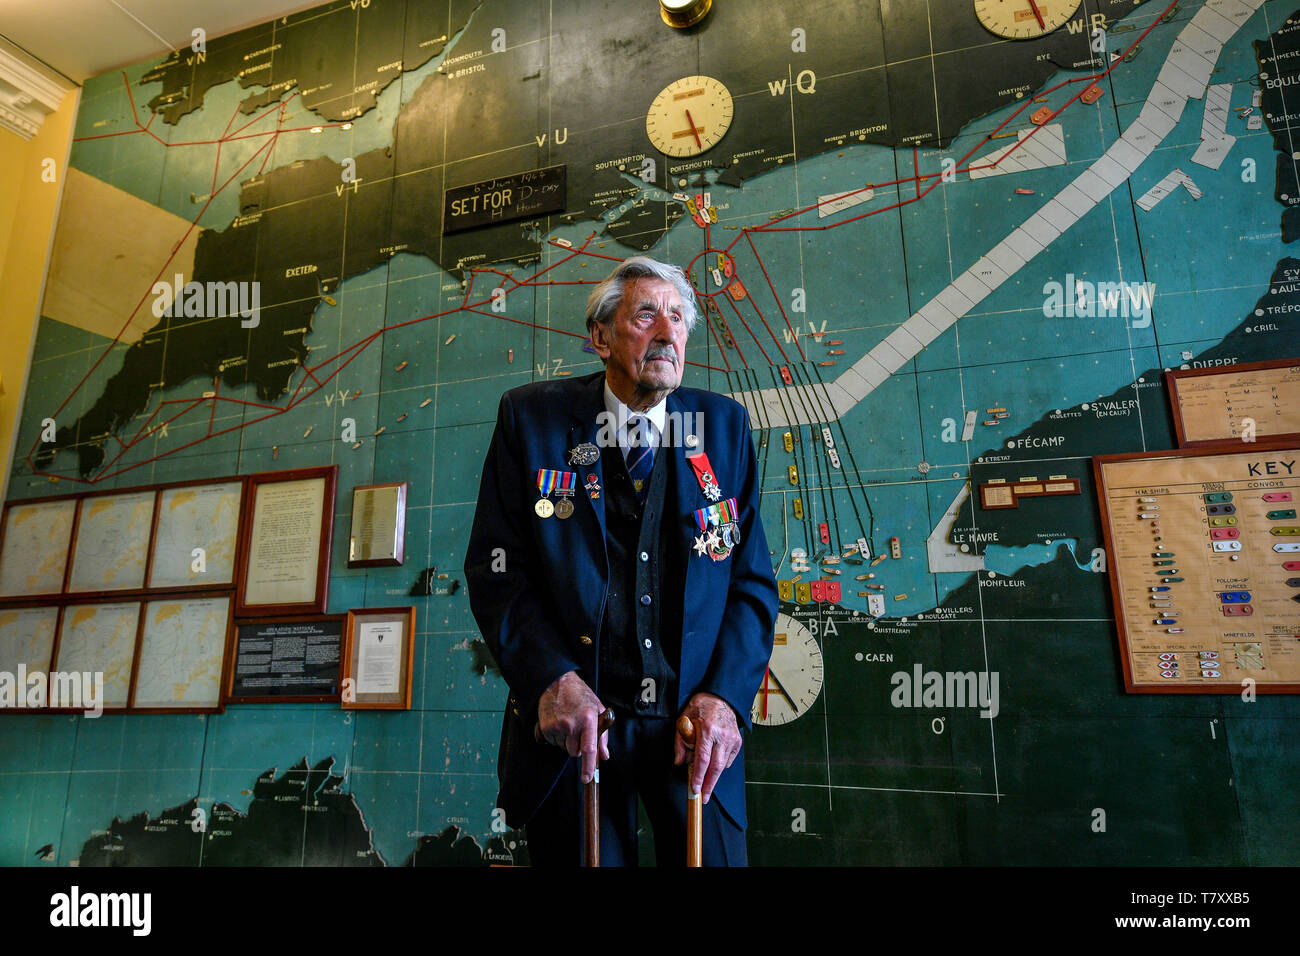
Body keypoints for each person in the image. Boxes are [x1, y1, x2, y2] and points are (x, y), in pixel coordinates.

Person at [465, 255, 778, 866]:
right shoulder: (531, 420)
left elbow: (751, 584)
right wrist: (551, 681)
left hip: (693, 729)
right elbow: (499, 571)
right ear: (601, 337)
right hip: (578, 728)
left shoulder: (724, 427)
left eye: (679, 318)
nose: (668, 332)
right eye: (646, 315)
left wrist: (725, 699)